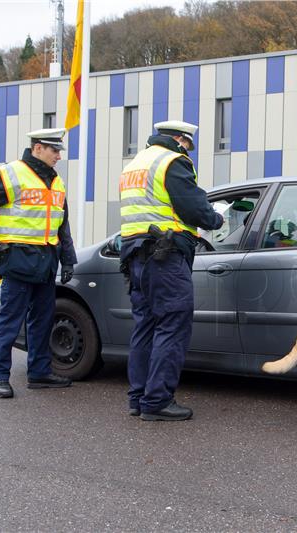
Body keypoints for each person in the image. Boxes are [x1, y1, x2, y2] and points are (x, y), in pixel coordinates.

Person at [119, 120, 224, 421]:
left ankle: (138, 398)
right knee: (173, 324)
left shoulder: (135, 164)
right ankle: (158, 401)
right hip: (164, 256)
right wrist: (216, 219)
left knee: (145, 326)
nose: (189, 150)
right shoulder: (173, 161)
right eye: (188, 145)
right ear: (180, 139)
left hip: (136, 255)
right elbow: (193, 208)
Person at [0, 128, 77, 398]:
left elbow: (63, 224)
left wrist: (68, 258)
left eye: (59, 150)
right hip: (18, 260)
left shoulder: (55, 181)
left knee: (43, 320)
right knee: (10, 321)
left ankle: (39, 373)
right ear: (38, 148)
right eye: (54, 150)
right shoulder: (12, 173)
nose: (59, 156)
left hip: (46, 261)